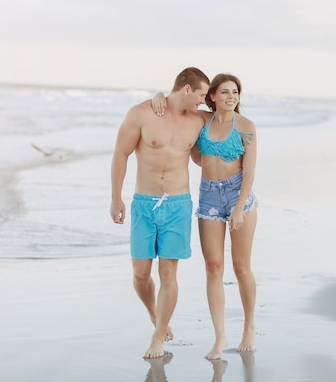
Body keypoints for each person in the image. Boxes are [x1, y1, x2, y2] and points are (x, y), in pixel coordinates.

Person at [152, 73, 258, 360]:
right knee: (213, 266)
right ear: (211, 96)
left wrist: (238, 208)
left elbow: (249, 172)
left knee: (240, 267)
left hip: (239, 196)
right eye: (224, 92)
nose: (231, 97)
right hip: (209, 195)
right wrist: (159, 97)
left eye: (235, 92)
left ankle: (248, 325)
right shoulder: (201, 121)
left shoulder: (246, 126)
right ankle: (220, 335)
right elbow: (176, 106)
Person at [110, 67, 210, 359]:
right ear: (187, 89)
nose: (204, 102)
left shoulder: (200, 120)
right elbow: (120, 153)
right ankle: (156, 314)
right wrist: (116, 198)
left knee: (168, 272)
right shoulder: (141, 113)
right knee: (141, 275)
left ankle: (158, 337)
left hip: (178, 204)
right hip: (144, 203)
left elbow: (229, 112)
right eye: (201, 95)